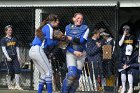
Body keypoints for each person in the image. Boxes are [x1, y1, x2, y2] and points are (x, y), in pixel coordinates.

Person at [29, 14, 59, 93]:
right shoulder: (49, 27)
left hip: (32, 50)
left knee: (43, 73)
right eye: (57, 21)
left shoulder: (44, 27)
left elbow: (46, 42)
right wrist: (57, 41)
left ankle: (39, 92)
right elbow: (49, 43)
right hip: (38, 50)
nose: (58, 23)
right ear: (53, 21)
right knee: (48, 72)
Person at [61, 13, 89, 93]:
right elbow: (64, 43)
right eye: (78, 18)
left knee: (77, 77)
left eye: (81, 18)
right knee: (72, 74)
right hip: (71, 53)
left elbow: (81, 41)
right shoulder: (67, 28)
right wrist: (73, 51)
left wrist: (71, 38)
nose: (80, 20)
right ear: (73, 19)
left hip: (81, 54)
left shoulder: (85, 28)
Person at [0, 25, 23, 90]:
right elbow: (4, 49)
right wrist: (7, 57)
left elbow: (17, 48)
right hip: (8, 57)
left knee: (17, 70)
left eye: (11, 30)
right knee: (9, 71)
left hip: (15, 56)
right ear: (6, 31)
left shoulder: (14, 39)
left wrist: (18, 56)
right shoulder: (3, 40)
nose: (10, 31)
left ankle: (17, 85)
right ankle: (9, 85)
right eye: (9, 30)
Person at [119, 25, 136, 93]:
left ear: (129, 30)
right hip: (123, 56)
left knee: (129, 71)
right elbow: (120, 44)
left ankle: (131, 88)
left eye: (127, 29)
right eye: (124, 29)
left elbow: (135, 46)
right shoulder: (121, 36)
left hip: (130, 56)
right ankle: (123, 87)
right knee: (123, 71)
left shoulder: (132, 37)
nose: (126, 30)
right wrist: (123, 35)